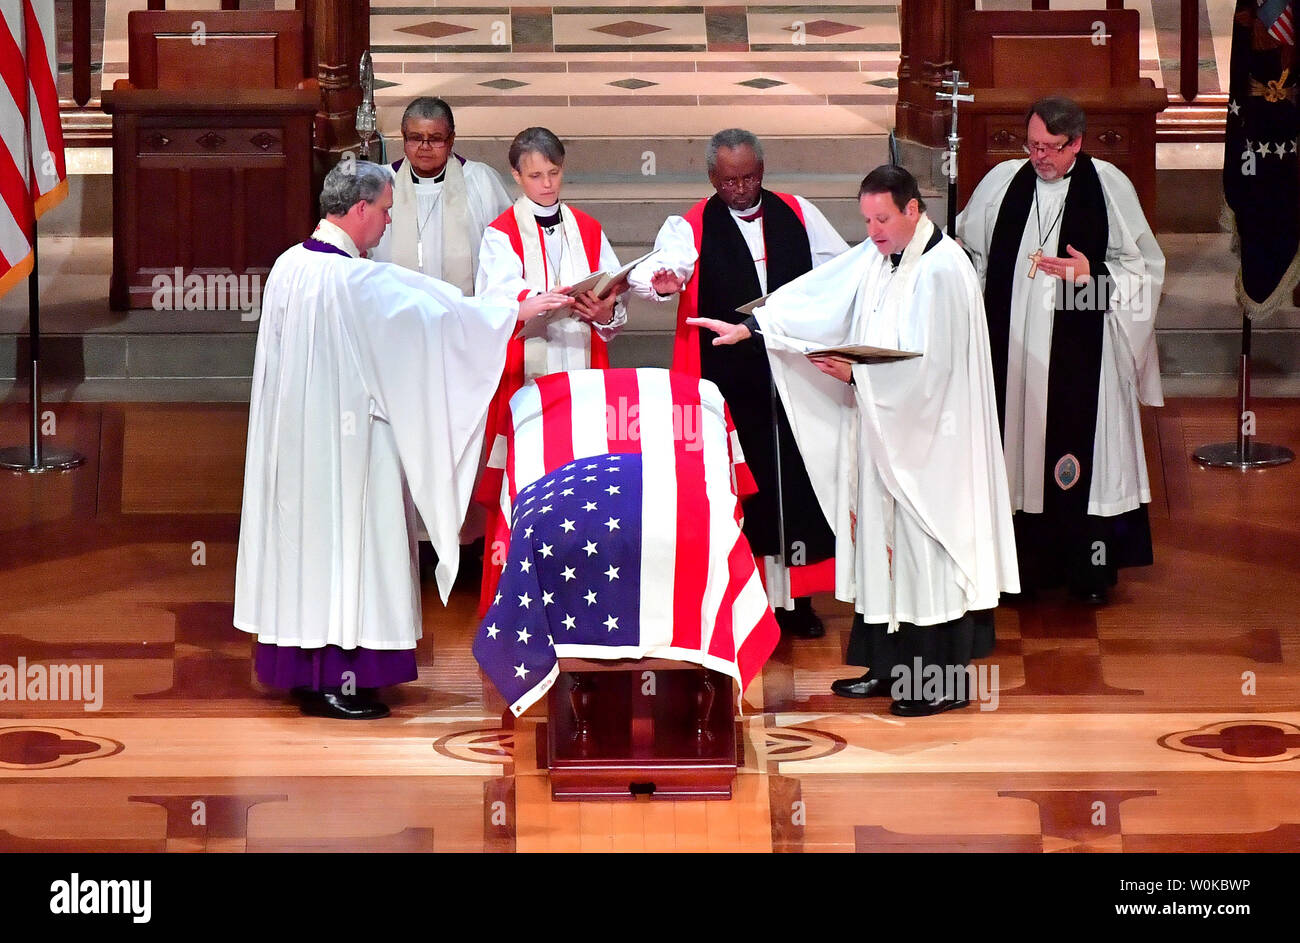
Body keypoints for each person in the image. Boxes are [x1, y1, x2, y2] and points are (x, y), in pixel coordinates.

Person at [234, 160, 571, 719]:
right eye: (386, 210)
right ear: (360, 208)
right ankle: (338, 682)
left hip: (295, 451)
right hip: (349, 453)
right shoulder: (354, 281)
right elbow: (435, 316)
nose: (390, 222)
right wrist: (513, 311)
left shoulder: (288, 267)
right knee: (351, 550)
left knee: (307, 555)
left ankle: (308, 672)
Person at [689, 165, 1018, 716]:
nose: (872, 231)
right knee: (881, 548)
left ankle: (939, 679)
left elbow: (934, 369)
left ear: (914, 209)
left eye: (882, 218)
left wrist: (857, 375)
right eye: (866, 219)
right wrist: (754, 329)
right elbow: (821, 296)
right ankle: (888, 664)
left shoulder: (944, 271)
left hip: (932, 440)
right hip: (882, 428)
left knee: (923, 552)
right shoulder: (877, 256)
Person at [628, 128, 849, 639]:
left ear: (763, 171)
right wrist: (663, 284)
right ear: (712, 177)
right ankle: (745, 602)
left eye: (750, 177)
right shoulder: (690, 225)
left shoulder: (797, 211)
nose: (743, 189)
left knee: (794, 482)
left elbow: (840, 269)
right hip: (724, 378)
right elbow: (658, 272)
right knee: (738, 487)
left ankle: (797, 601)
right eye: (730, 181)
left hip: (791, 372)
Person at [957, 97, 1164, 605]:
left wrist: (1091, 276)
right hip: (1016, 354)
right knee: (1016, 449)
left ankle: (1087, 571)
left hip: (1084, 361)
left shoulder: (1108, 186)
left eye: (1051, 147)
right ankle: (1019, 568)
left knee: (1083, 449)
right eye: (1032, 145)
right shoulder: (1003, 183)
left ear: (1077, 143)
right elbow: (966, 252)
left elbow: (1145, 270)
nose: (1039, 157)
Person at [474, 127, 630, 613]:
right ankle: (522, 595)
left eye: (554, 173)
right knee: (529, 484)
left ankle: (585, 590)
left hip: (583, 374)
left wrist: (603, 313)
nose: (546, 184)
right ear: (516, 176)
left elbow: (614, 296)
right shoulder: (499, 234)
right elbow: (490, 306)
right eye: (535, 175)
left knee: (583, 481)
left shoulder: (588, 228)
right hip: (529, 378)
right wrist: (529, 304)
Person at [369, 97, 512, 293]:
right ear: (404, 137)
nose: (424, 146)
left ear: (451, 139)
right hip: (395, 312)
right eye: (416, 137)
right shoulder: (379, 183)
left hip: (467, 312)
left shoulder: (481, 180)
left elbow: (506, 250)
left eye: (435, 139)